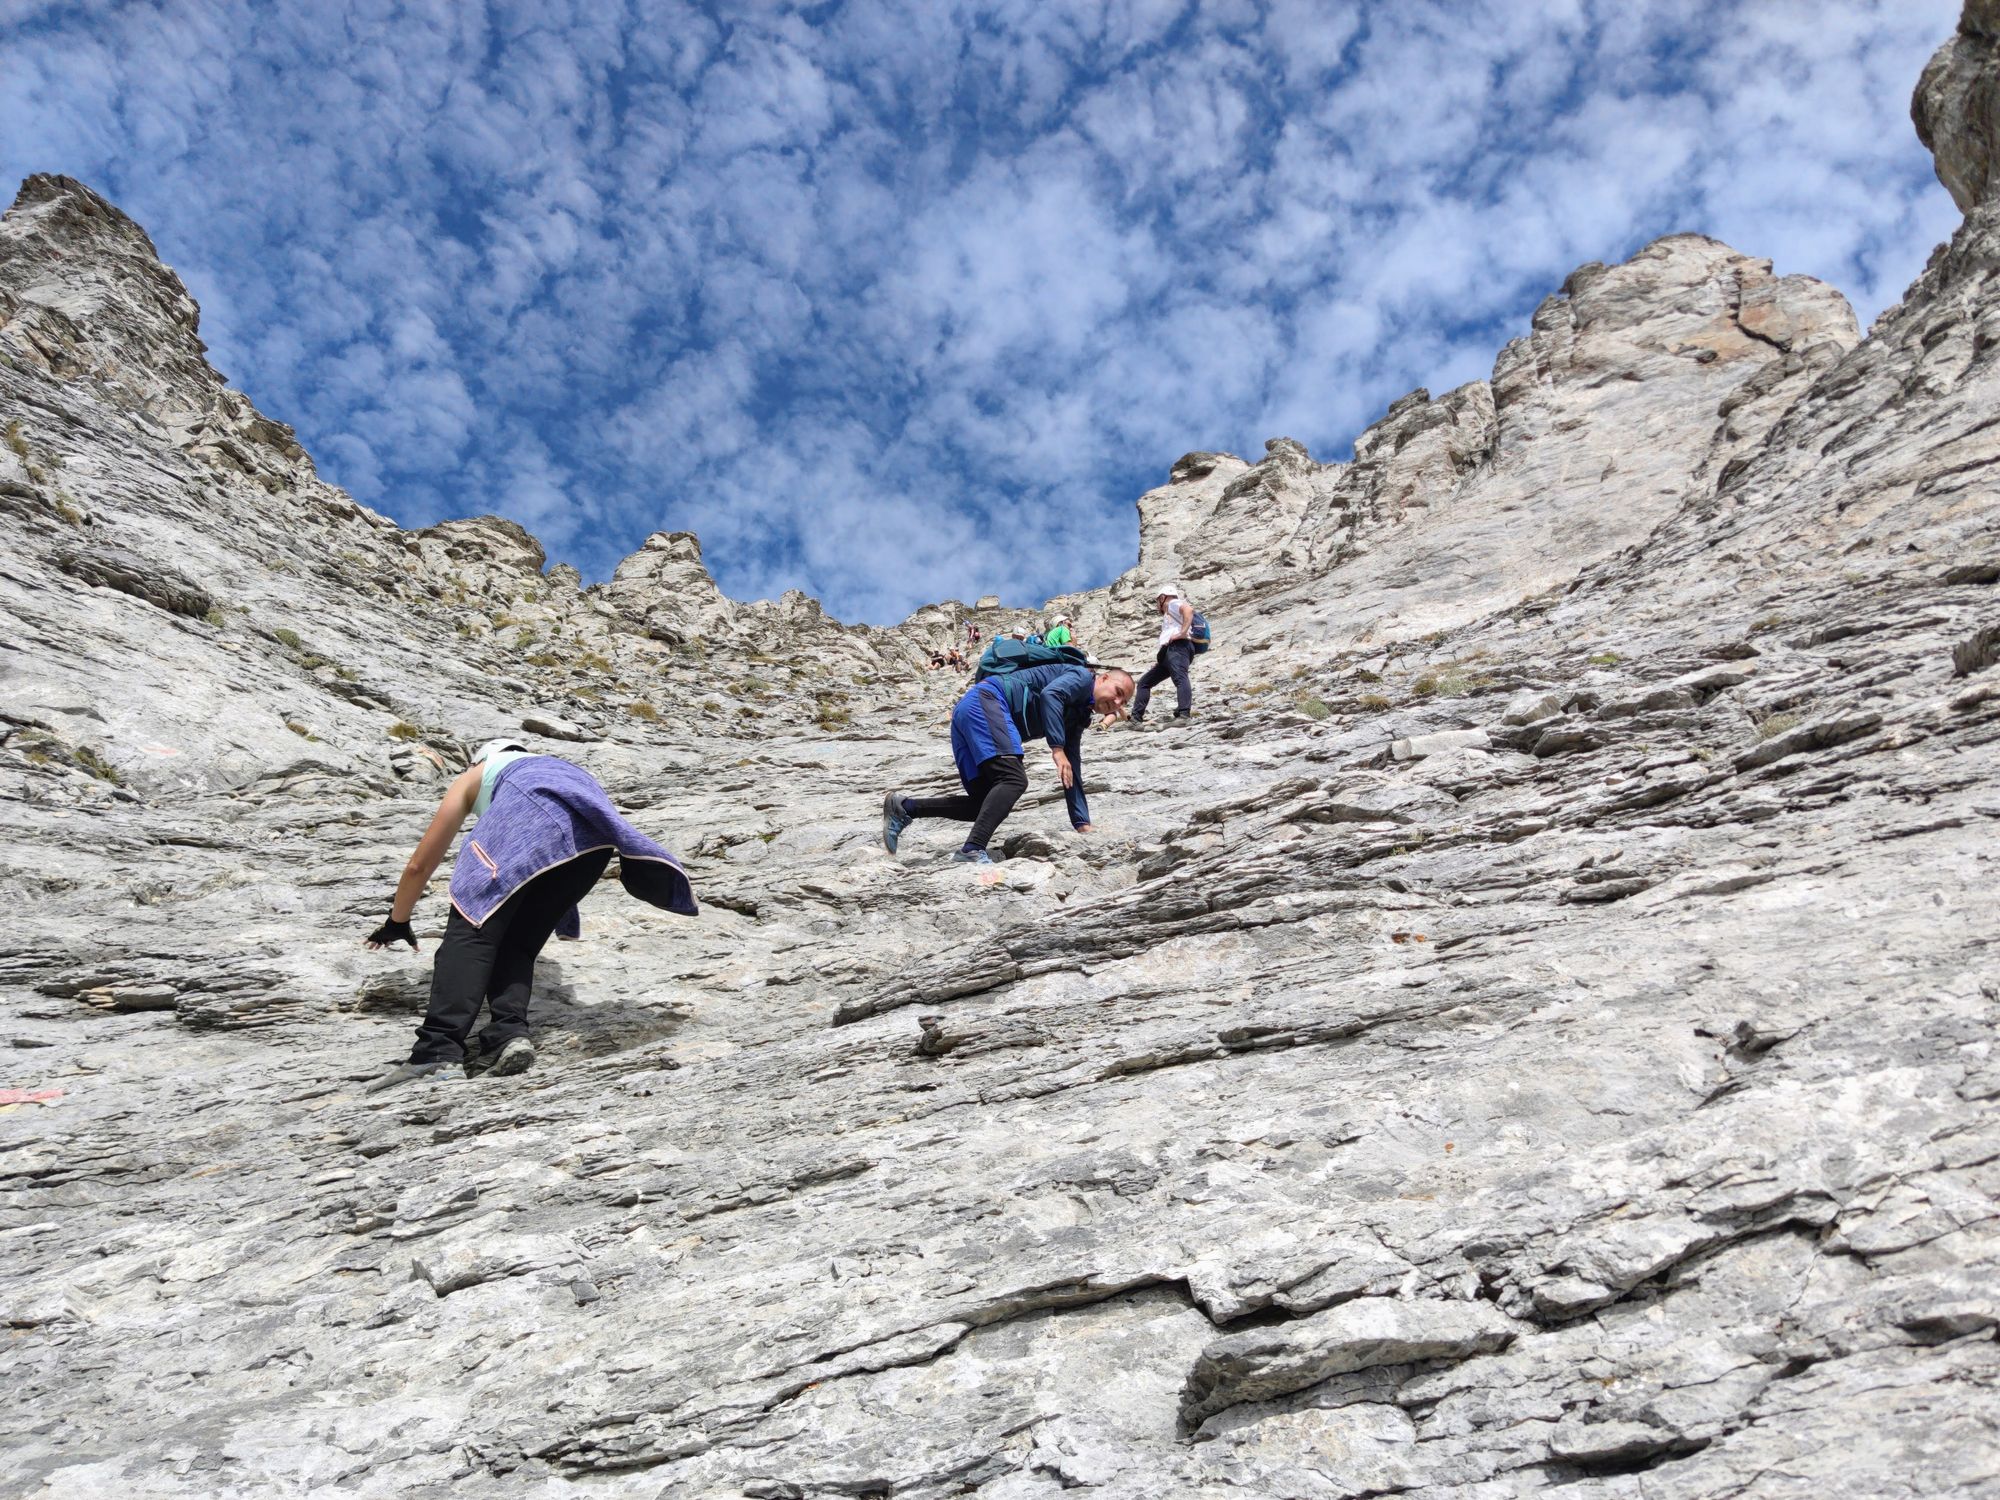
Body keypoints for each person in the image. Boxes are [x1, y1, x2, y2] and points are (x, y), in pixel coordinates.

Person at [361, 740, 697, 1090]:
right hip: (592, 845)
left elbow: (420, 864)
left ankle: (436, 1053)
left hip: (527, 820)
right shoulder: (558, 768)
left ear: (483, 759)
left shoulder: (476, 773)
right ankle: (507, 1036)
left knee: (472, 927)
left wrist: (397, 921)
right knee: (517, 944)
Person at [881, 665, 1134, 863]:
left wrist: (1082, 823)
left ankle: (905, 807)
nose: (1118, 703)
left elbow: (1072, 770)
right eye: (1118, 693)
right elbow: (1051, 694)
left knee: (985, 804)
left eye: (1124, 702)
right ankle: (972, 850)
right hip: (987, 701)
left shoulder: (1077, 715)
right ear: (1102, 679)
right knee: (1013, 780)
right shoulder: (1081, 677)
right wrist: (1056, 748)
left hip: (969, 713)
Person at [1131, 587, 1196, 725]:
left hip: (1178, 647)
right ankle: (1135, 719)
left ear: (1162, 598)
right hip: (1169, 653)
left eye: (1157, 601)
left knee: (1180, 677)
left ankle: (1184, 716)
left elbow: (1188, 610)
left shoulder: (1172, 603)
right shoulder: (1168, 614)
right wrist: (1163, 659)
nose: (1156, 605)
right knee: (1144, 683)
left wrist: (1182, 632)